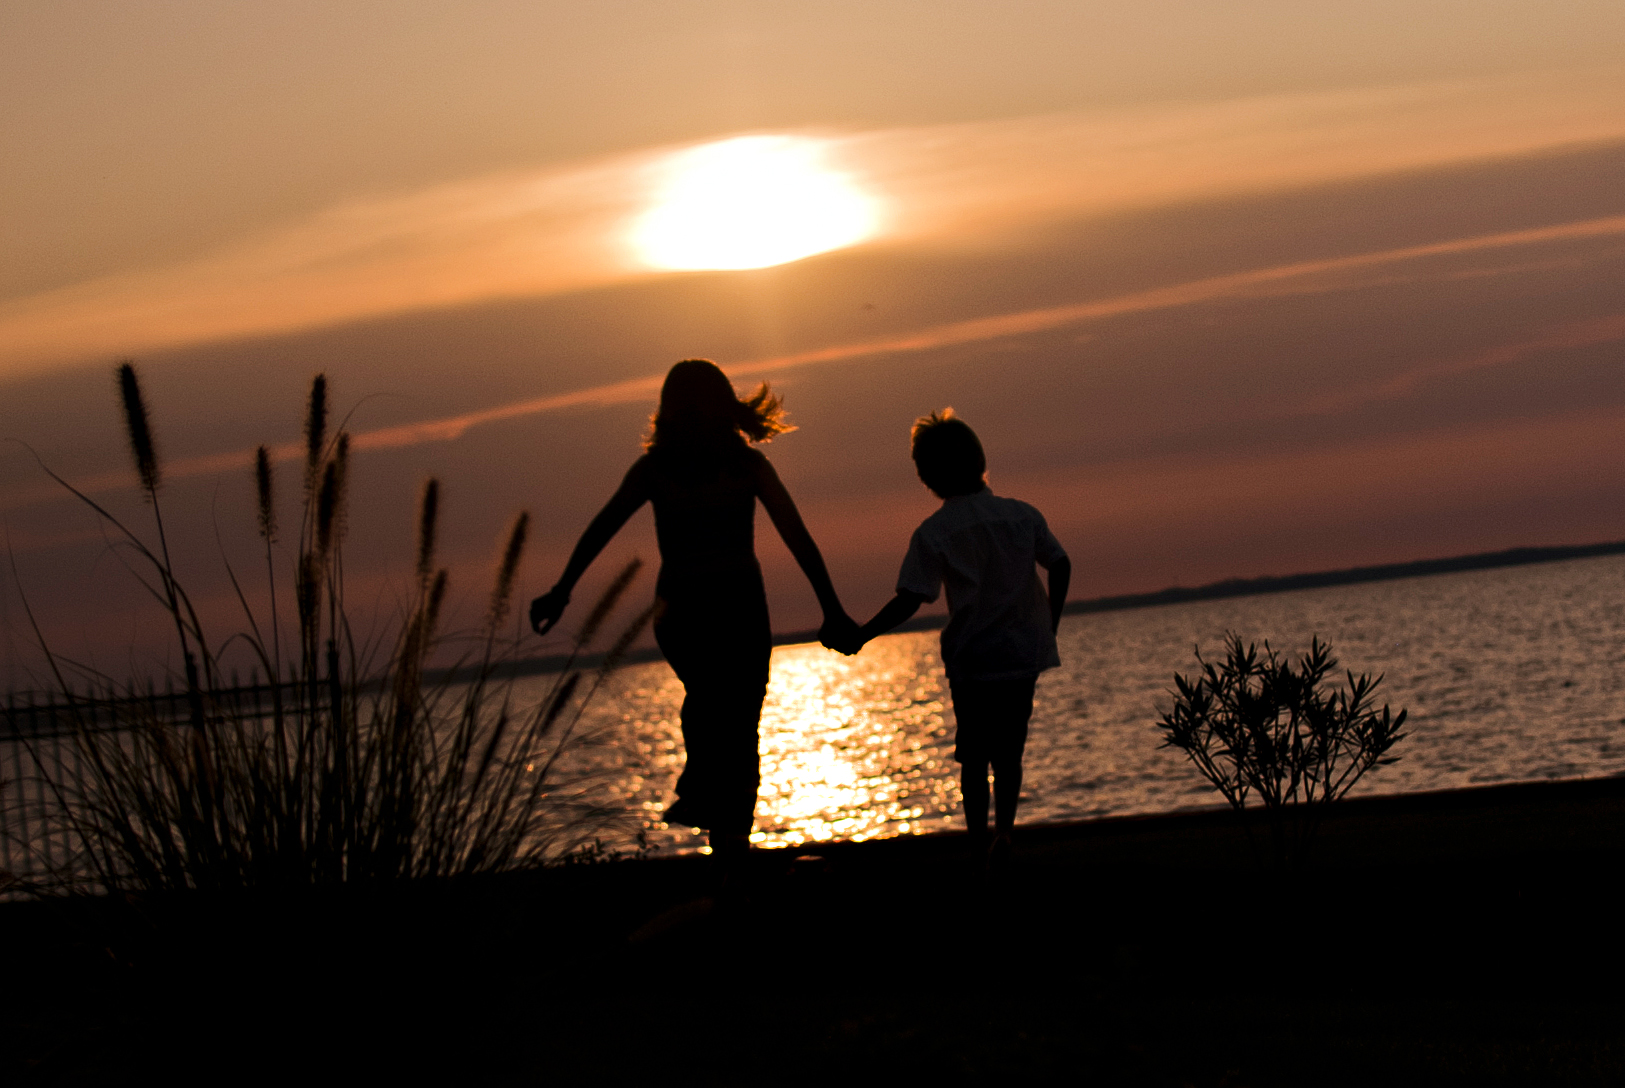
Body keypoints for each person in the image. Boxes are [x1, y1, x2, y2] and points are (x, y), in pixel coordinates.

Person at [530, 359, 857, 864]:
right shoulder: (711, 468)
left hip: (701, 613)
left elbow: (797, 536)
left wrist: (563, 590)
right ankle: (723, 832)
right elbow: (605, 526)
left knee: (719, 712)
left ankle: (720, 831)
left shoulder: (696, 468)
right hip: (718, 613)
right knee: (732, 722)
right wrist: (562, 590)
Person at [836, 409, 1069, 865]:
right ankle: (1005, 833)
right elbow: (1060, 564)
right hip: (1023, 651)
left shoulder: (935, 533)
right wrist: (1050, 625)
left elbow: (910, 598)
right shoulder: (1021, 516)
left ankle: (979, 844)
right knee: (1010, 749)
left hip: (974, 659)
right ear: (980, 460)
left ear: (927, 476)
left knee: (974, 756)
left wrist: (863, 635)